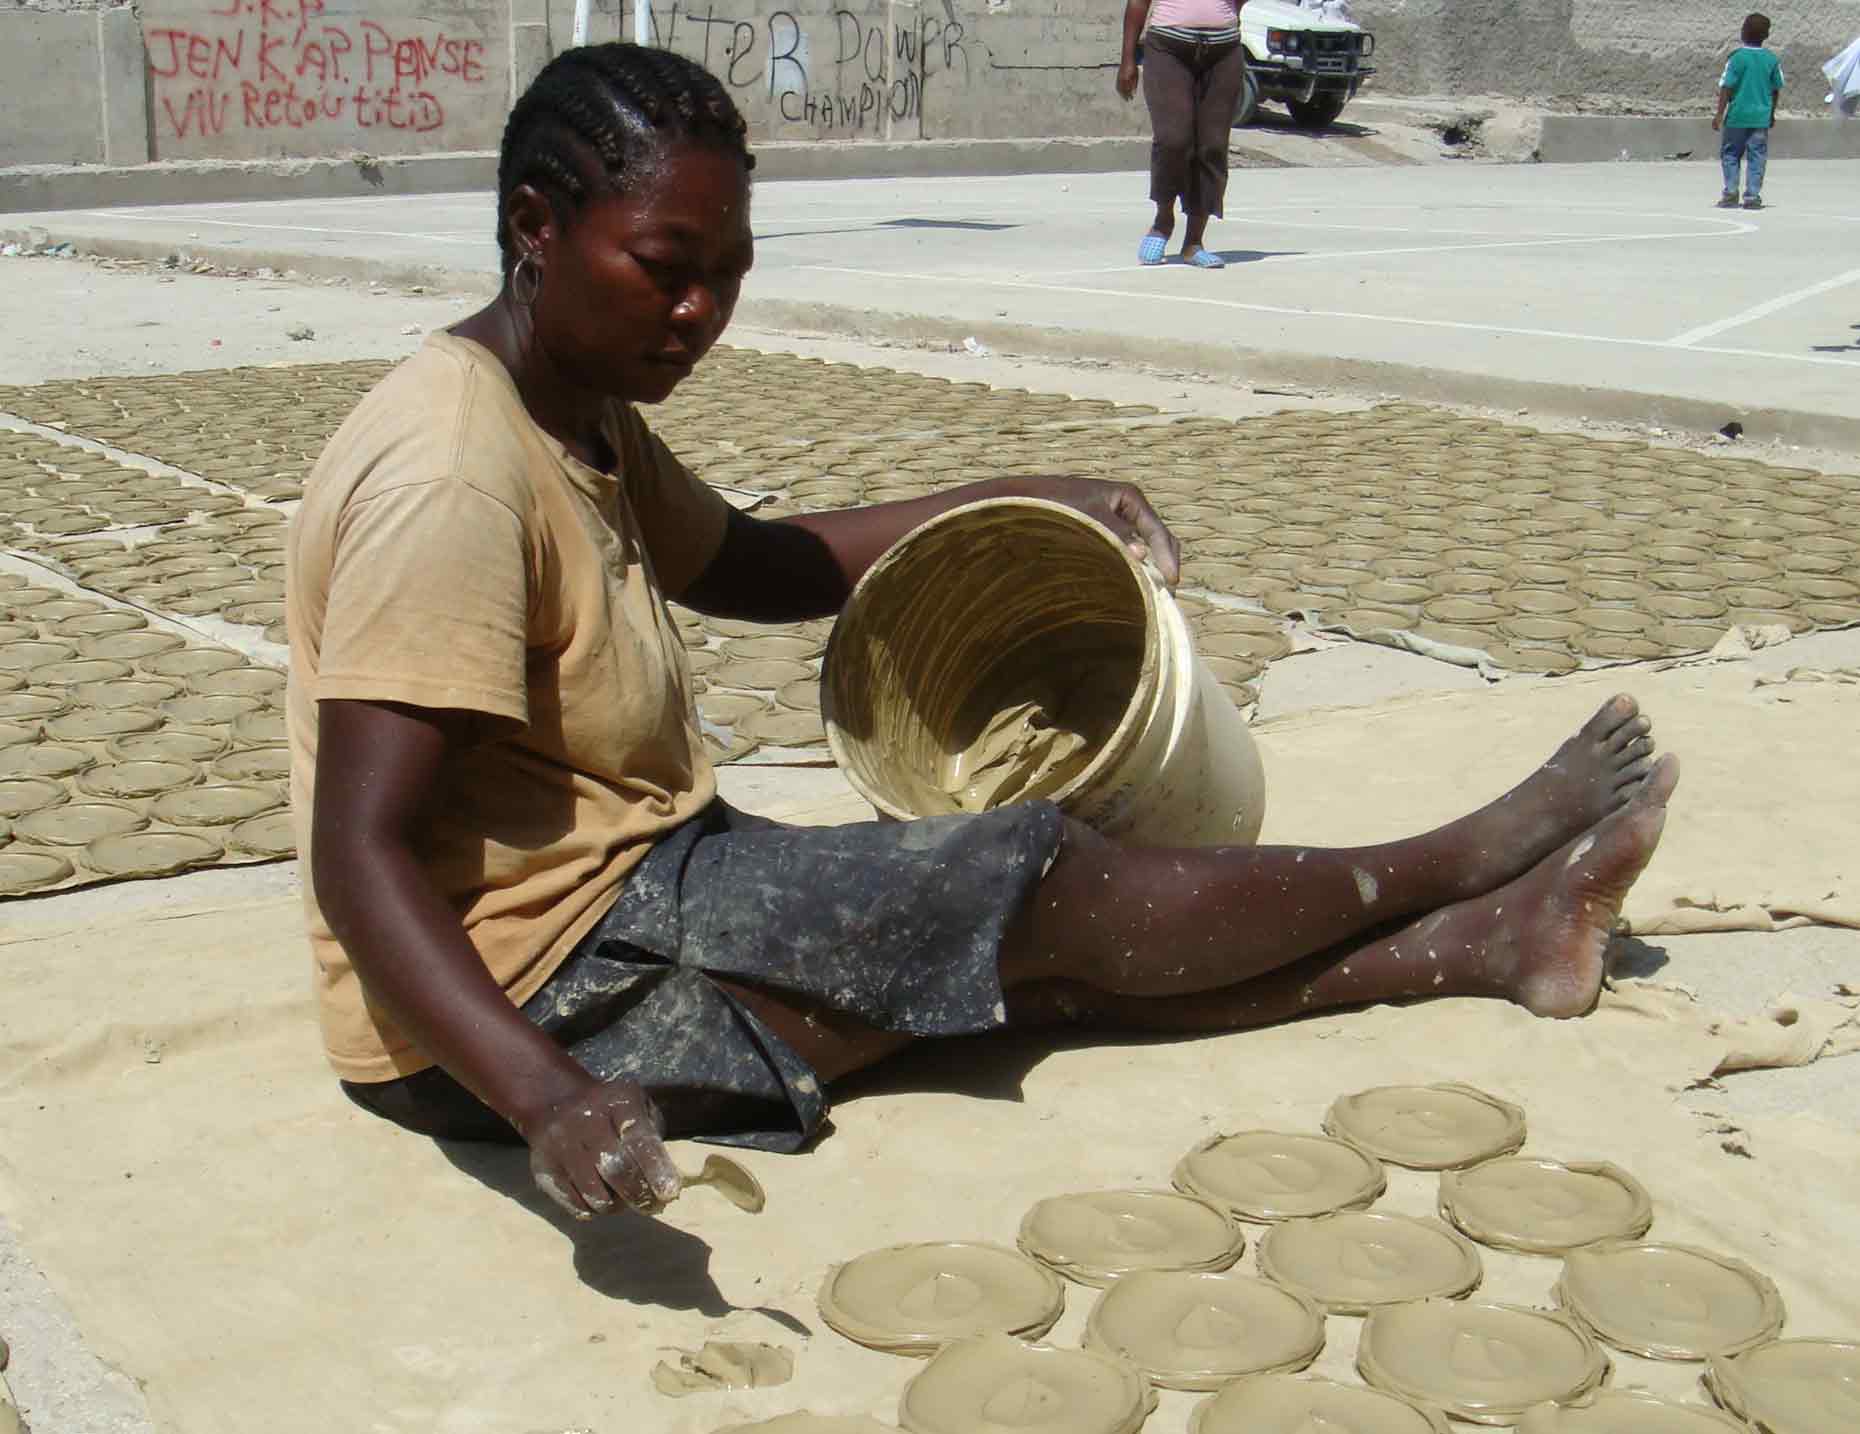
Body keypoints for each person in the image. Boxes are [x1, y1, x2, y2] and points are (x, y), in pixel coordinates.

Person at [287, 42, 1679, 1223]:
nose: (701, 310)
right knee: (1045, 885)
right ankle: (1462, 857)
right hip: (529, 996)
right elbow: (361, 849)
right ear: (535, 225)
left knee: (1013, 959)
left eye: (731, 268)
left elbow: (764, 564)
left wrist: (1023, 493)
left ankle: (1499, 939)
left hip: (641, 887)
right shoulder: (454, 473)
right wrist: (546, 1096)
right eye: (666, 267)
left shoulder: (576, 406)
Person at [1116, 0, 1246, 268]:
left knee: (1212, 146)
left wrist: (1228, 17)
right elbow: (1138, 3)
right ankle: (1163, 221)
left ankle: (1194, 243)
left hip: (1224, 51)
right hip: (1168, 48)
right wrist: (1127, 59)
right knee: (1173, 139)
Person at [1714, 12, 1784, 210]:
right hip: (1760, 118)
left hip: (1737, 116)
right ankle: (1752, 196)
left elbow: (1726, 87)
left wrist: (1719, 114)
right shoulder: (1772, 60)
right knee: (1757, 156)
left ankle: (1730, 192)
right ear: (1766, 36)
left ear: (1743, 32)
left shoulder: (1736, 58)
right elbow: (1776, 89)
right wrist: (1771, 113)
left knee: (1730, 154)